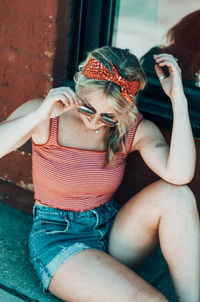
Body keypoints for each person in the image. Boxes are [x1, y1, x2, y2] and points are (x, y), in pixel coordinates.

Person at [0, 46, 199, 302]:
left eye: (108, 117)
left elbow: (180, 175)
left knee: (178, 195)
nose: (94, 122)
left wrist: (179, 100)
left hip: (111, 231)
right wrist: (40, 114)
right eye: (87, 108)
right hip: (59, 238)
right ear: (79, 88)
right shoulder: (48, 116)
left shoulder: (132, 129)